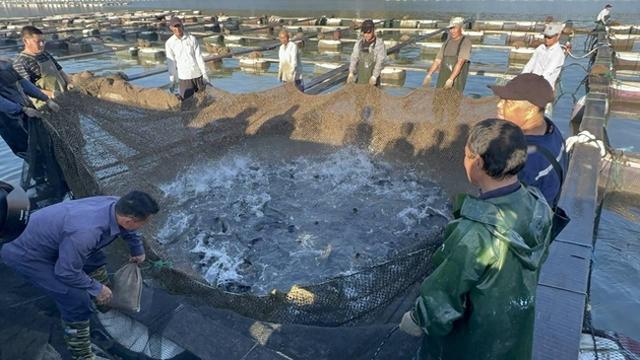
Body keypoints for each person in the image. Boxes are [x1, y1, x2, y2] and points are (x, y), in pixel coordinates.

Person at [399, 118, 553, 360]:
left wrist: (418, 318)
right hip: (514, 333)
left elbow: (444, 296)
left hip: (471, 344)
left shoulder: (474, 231)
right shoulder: (538, 203)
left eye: (466, 155)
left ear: (478, 162)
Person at [1, 191, 159, 360]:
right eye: (143, 223)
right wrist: (96, 287)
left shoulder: (117, 204)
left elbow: (127, 229)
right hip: (24, 252)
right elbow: (66, 272)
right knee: (74, 298)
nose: (144, 225)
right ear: (129, 220)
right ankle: (81, 353)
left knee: (95, 260)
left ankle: (104, 304)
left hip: (55, 238)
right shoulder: (86, 233)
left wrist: (137, 248)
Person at [490, 73, 568, 206]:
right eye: (501, 99)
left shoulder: (526, 159)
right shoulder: (550, 127)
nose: (499, 105)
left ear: (531, 111)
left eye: (508, 102)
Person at [0, 58, 59, 158]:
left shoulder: (5, 64)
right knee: (30, 152)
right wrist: (22, 109)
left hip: (28, 111)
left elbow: (23, 83)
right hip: (10, 122)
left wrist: (46, 99)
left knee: (48, 145)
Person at [13, 26, 73, 109]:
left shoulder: (45, 54)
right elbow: (27, 88)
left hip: (64, 98)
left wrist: (69, 82)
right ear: (25, 41)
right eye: (37, 42)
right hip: (46, 105)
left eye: (43, 41)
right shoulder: (20, 62)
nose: (42, 44)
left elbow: (59, 70)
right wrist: (51, 94)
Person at [165, 16, 209, 100]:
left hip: (197, 75)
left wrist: (204, 74)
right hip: (184, 78)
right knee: (187, 103)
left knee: (204, 100)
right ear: (171, 28)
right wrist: (172, 81)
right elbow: (171, 64)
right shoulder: (169, 43)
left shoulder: (192, 39)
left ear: (182, 25)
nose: (177, 29)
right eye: (175, 27)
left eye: (178, 26)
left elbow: (199, 57)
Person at [423, 17, 471, 91]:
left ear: (461, 28)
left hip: (456, 80)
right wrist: (429, 75)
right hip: (442, 79)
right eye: (451, 28)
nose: (452, 31)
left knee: (452, 101)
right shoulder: (447, 42)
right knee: (439, 100)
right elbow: (437, 60)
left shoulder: (466, 42)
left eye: (455, 28)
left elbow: (460, 62)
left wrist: (451, 79)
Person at [522, 23, 566, 90]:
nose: (547, 39)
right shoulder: (540, 48)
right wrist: (521, 78)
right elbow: (529, 65)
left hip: (545, 88)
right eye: (545, 36)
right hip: (532, 83)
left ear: (557, 36)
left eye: (549, 37)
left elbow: (547, 73)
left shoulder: (558, 53)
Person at [347, 19, 386, 86]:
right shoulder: (359, 43)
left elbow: (380, 61)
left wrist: (374, 76)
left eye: (369, 33)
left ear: (373, 31)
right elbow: (354, 58)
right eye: (365, 33)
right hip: (360, 79)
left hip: (373, 80)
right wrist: (351, 72)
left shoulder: (379, 44)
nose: (366, 35)